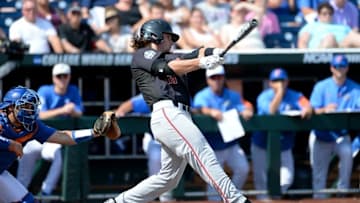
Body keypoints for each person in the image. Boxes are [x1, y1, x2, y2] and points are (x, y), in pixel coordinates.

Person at [104, 19, 251, 203]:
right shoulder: (143, 54)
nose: (172, 42)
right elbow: (167, 68)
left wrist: (215, 52)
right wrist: (202, 63)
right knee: (203, 153)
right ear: (155, 36)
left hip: (178, 116)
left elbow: (196, 52)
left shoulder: (170, 56)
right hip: (167, 112)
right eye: (168, 37)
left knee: (168, 179)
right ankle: (236, 199)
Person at [0, 86, 106, 202]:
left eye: (31, 107)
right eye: (25, 107)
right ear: (10, 108)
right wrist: (9, 144)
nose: (29, 111)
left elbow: (63, 137)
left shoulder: (32, 127)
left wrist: (94, 132)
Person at [16, 63, 83, 196]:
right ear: (53, 78)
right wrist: (63, 110)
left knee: (60, 154)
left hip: (56, 141)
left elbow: (80, 112)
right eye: (59, 76)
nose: (62, 79)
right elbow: (40, 115)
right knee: (26, 152)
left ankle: (46, 191)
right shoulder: (44, 90)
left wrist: (73, 111)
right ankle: (19, 192)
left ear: (69, 77)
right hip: (39, 137)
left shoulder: (73, 90)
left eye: (65, 76)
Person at [193, 65, 252, 201]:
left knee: (242, 168)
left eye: (219, 77)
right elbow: (197, 108)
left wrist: (247, 110)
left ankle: (231, 197)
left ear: (223, 78)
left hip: (231, 144)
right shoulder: (203, 95)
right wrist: (210, 111)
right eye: (213, 78)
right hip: (211, 146)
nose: (217, 81)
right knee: (214, 181)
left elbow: (245, 105)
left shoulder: (232, 95)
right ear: (208, 79)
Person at [252, 68, 313, 200]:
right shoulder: (264, 96)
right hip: (262, 145)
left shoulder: (295, 95)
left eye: (282, 80)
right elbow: (271, 111)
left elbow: (307, 104)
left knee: (286, 179)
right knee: (261, 184)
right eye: (275, 80)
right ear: (270, 83)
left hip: (284, 145)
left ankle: (274, 199)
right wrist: (279, 92)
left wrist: (307, 110)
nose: (279, 83)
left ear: (287, 81)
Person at [309, 54, 358, 199]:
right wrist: (325, 109)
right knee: (319, 174)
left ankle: (342, 197)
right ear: (331, 68)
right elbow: (313, 110)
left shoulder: (355, 88)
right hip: (322, 135)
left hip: (342, 136)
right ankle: (318, 199)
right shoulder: (321, 86)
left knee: (347, 155)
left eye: (342, 66)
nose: (339, 69)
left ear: (347, 68)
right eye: (336, 66)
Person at [115, 94, 173, 202]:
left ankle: (165, 198)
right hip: (155, 141)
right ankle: (158, 198)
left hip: (174, 141)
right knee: (156, 167)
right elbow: (128, 105)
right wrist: (120, 112)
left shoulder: (178, 92)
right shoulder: (152, 94)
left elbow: (193, 110)